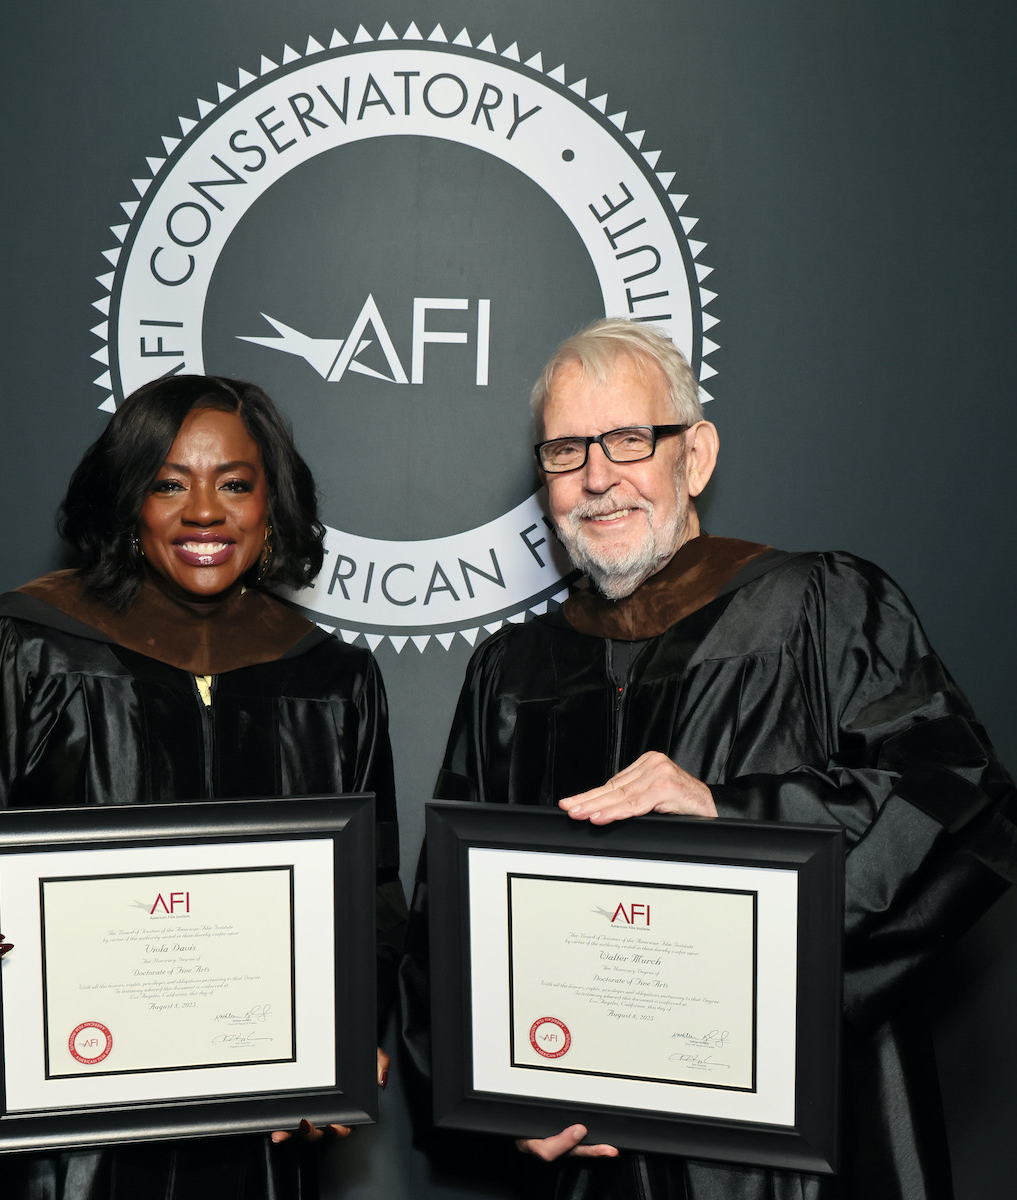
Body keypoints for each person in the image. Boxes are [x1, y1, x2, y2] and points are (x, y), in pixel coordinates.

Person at [400, 318, 1016, 1199]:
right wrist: (497, 1105)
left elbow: (961, 801)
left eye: (628, 440)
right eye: (566, 451)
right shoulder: (513, 671)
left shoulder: (818, 605)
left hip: (784, 1151)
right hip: (590, 1157)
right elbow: (446, 926)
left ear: (695, 456)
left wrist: (731, 814)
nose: (598, 478)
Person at [0, 374, 407, 1200]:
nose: (204, 512)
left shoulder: (333, 677)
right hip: (60, 1148)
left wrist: (352, 1025)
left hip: (250, 1136)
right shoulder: (32, 646)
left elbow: (373, 891)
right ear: (126, 500)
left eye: (236, 484)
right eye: (168, 483)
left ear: (271, 504)